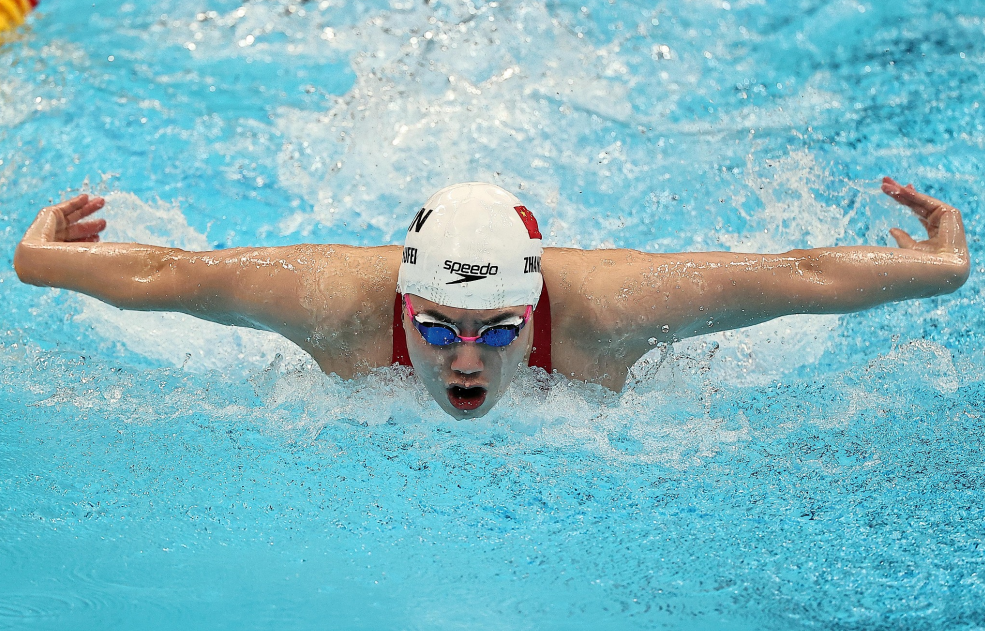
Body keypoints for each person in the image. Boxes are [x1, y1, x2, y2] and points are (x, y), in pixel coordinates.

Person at [13, 178, 970, 418]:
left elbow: (791, 277)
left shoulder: (606, 309)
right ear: (400, 303)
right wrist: (35, 258)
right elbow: (175, 274)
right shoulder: (334, 302)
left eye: (498, 330)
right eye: (435, 328)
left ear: (535, 304)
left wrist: (947, 268)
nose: (465, 358)